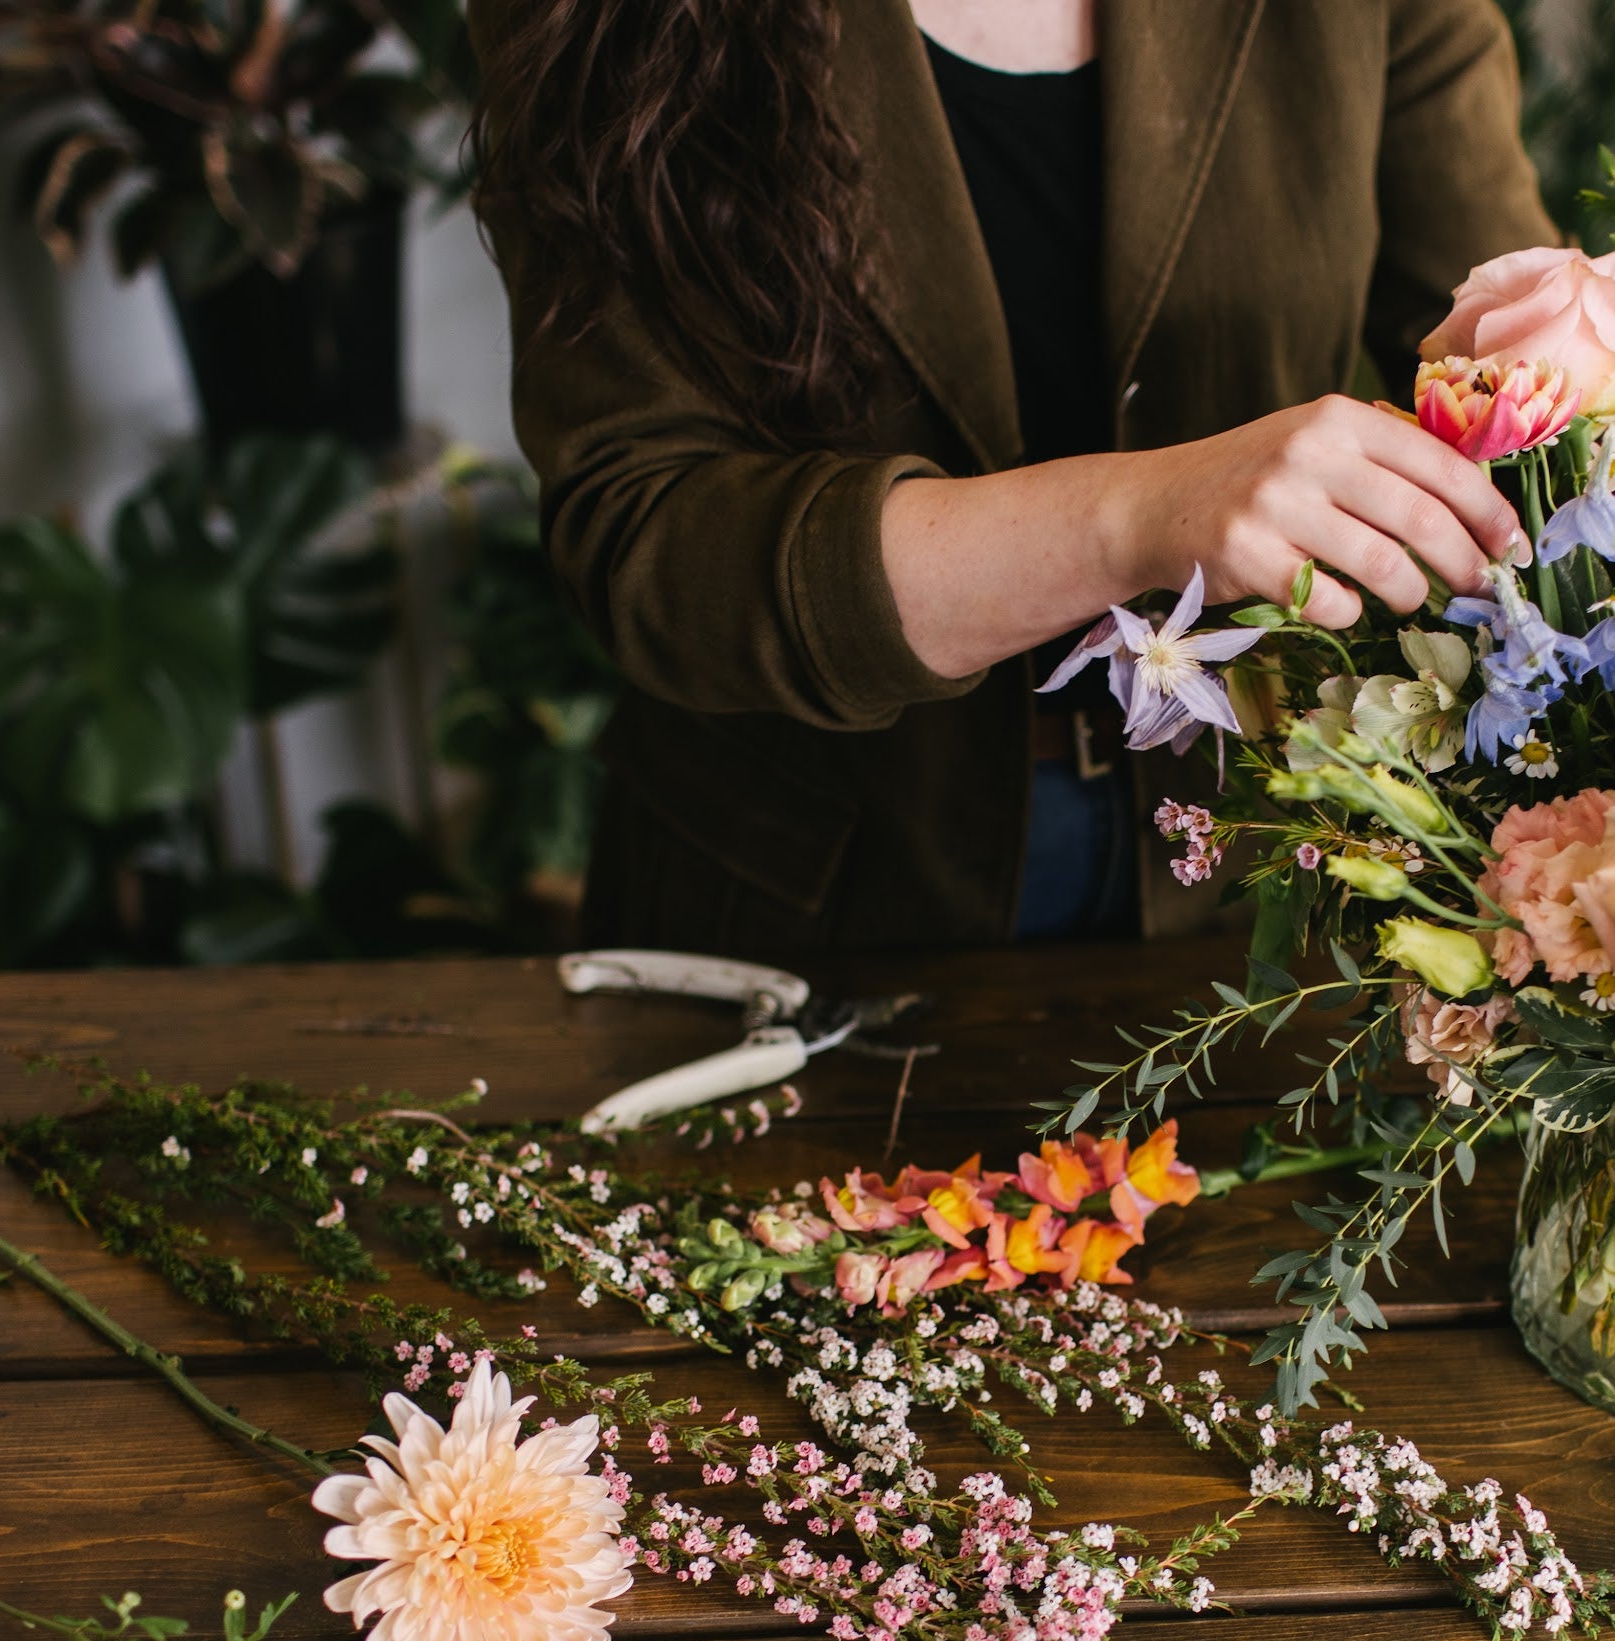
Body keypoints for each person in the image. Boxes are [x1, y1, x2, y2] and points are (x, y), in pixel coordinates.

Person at [471, 0, 1553, 950]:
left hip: (1265, 878)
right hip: (813, 896)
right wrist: (1137, 517)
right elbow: (649, 545)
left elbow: (1522, 387)